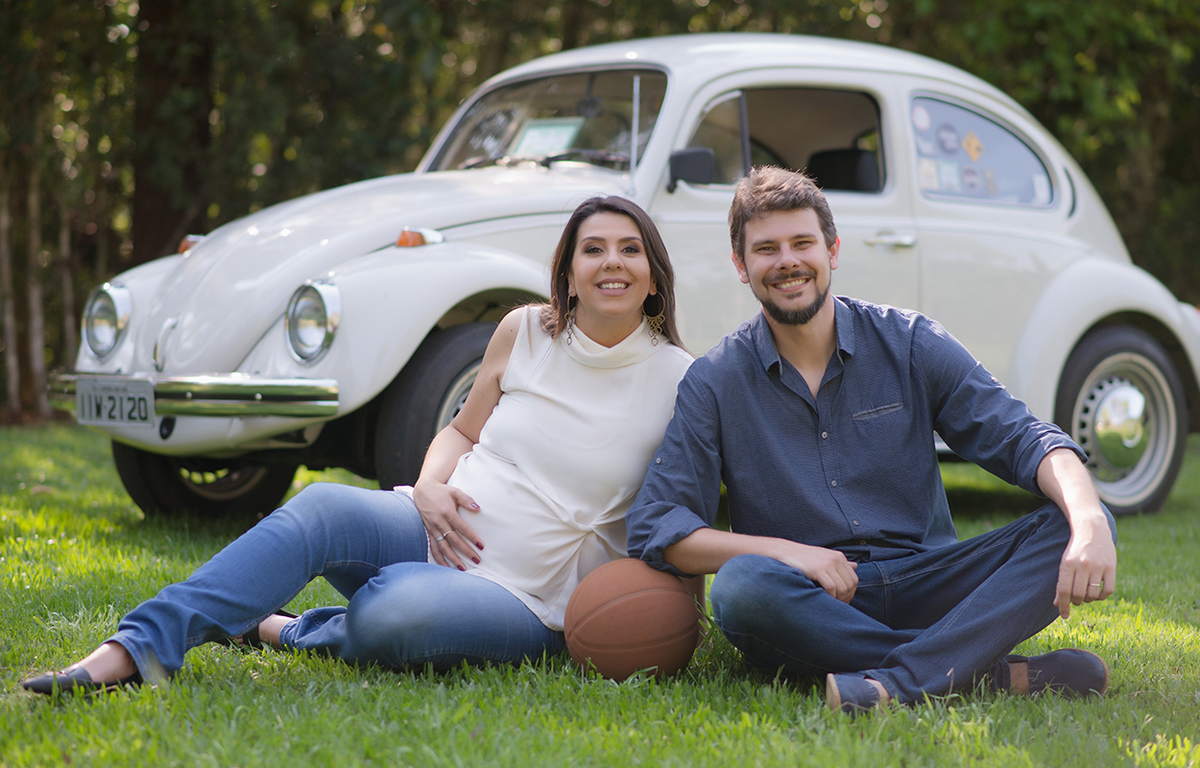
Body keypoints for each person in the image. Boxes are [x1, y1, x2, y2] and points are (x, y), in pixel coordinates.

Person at [23, 196, 693, 696]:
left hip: (529, 596)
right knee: (320, 509)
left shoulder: (681, 380)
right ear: (569, 274)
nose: (613, 262)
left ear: (655, 277)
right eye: (594, 248)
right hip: (436, 525)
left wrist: (673, 612)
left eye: (630, 249)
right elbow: (461, 431)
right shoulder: (523, 331)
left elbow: (685, 515)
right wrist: (430, 487)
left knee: (395, 610)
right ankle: (134, 650)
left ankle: (280, 626)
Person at [626, 166, 1118, 715]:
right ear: (741, 266)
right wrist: (791, 554)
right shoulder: (716, 380)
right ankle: (983, 672)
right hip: (815, 602)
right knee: (741, 588)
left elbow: (1024, 438)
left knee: (1074, 517)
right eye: (766, 248)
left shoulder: (909, 343)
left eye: (802, 242)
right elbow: (659, 526)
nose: (787, 261)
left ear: (832, 250)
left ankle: (903, 681)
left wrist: (1090, 523)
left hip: (933, 587)